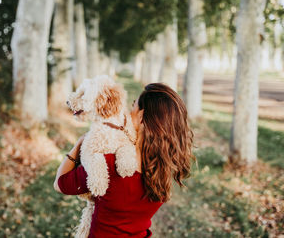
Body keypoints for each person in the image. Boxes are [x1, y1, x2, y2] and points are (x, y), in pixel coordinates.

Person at [53, 83, 195, 237]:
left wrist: (79, 144)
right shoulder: (162, 171)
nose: (127, 112)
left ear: (141, 117)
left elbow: (60, 184)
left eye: (133, 106)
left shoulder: (109, 164)